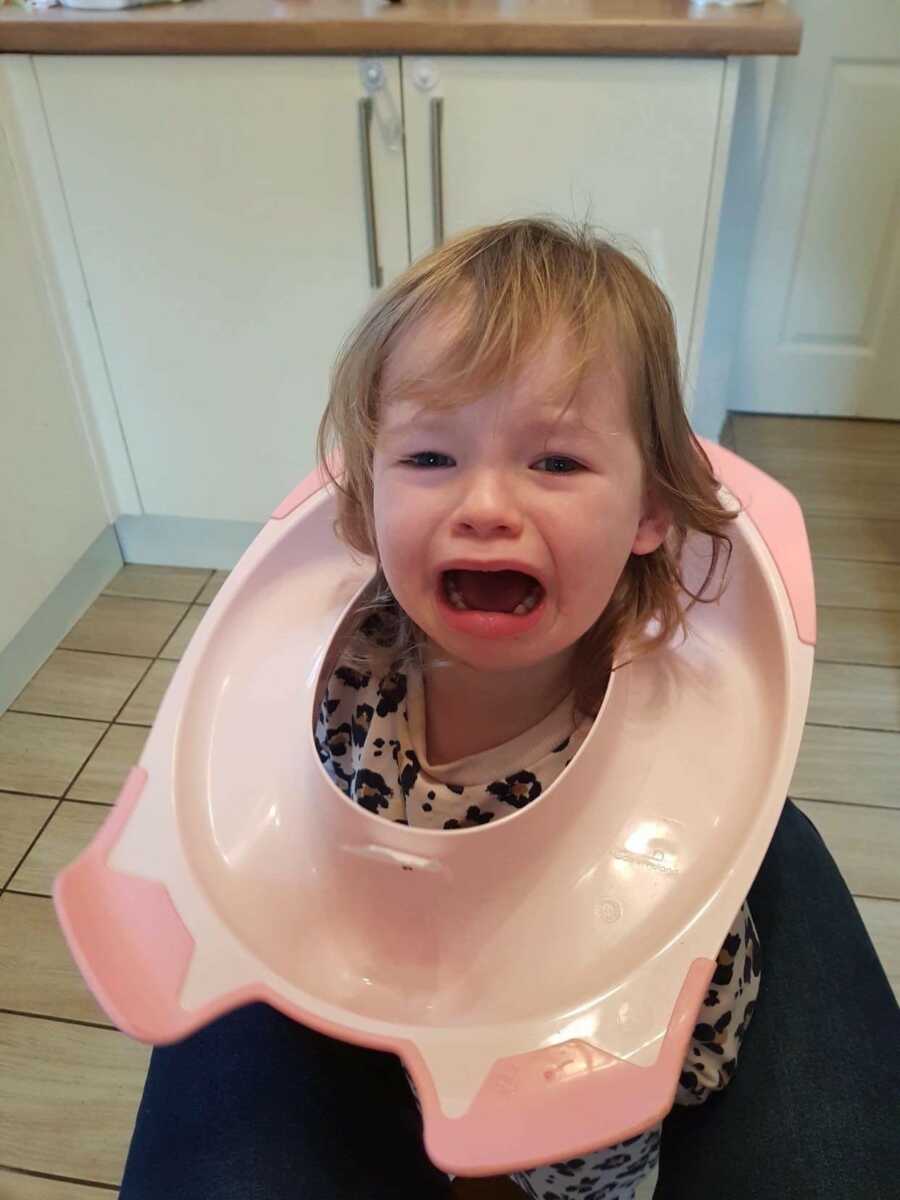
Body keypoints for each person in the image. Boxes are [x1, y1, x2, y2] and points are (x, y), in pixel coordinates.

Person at [309, 215, 759, 1199]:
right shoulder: (345, 669)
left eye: (553, 463)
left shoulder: (663, 734)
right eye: (429, 459)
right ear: (367, 492)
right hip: (419, 979)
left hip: (604, 1037)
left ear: (650, 511)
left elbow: (640, 985)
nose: (484, 506)